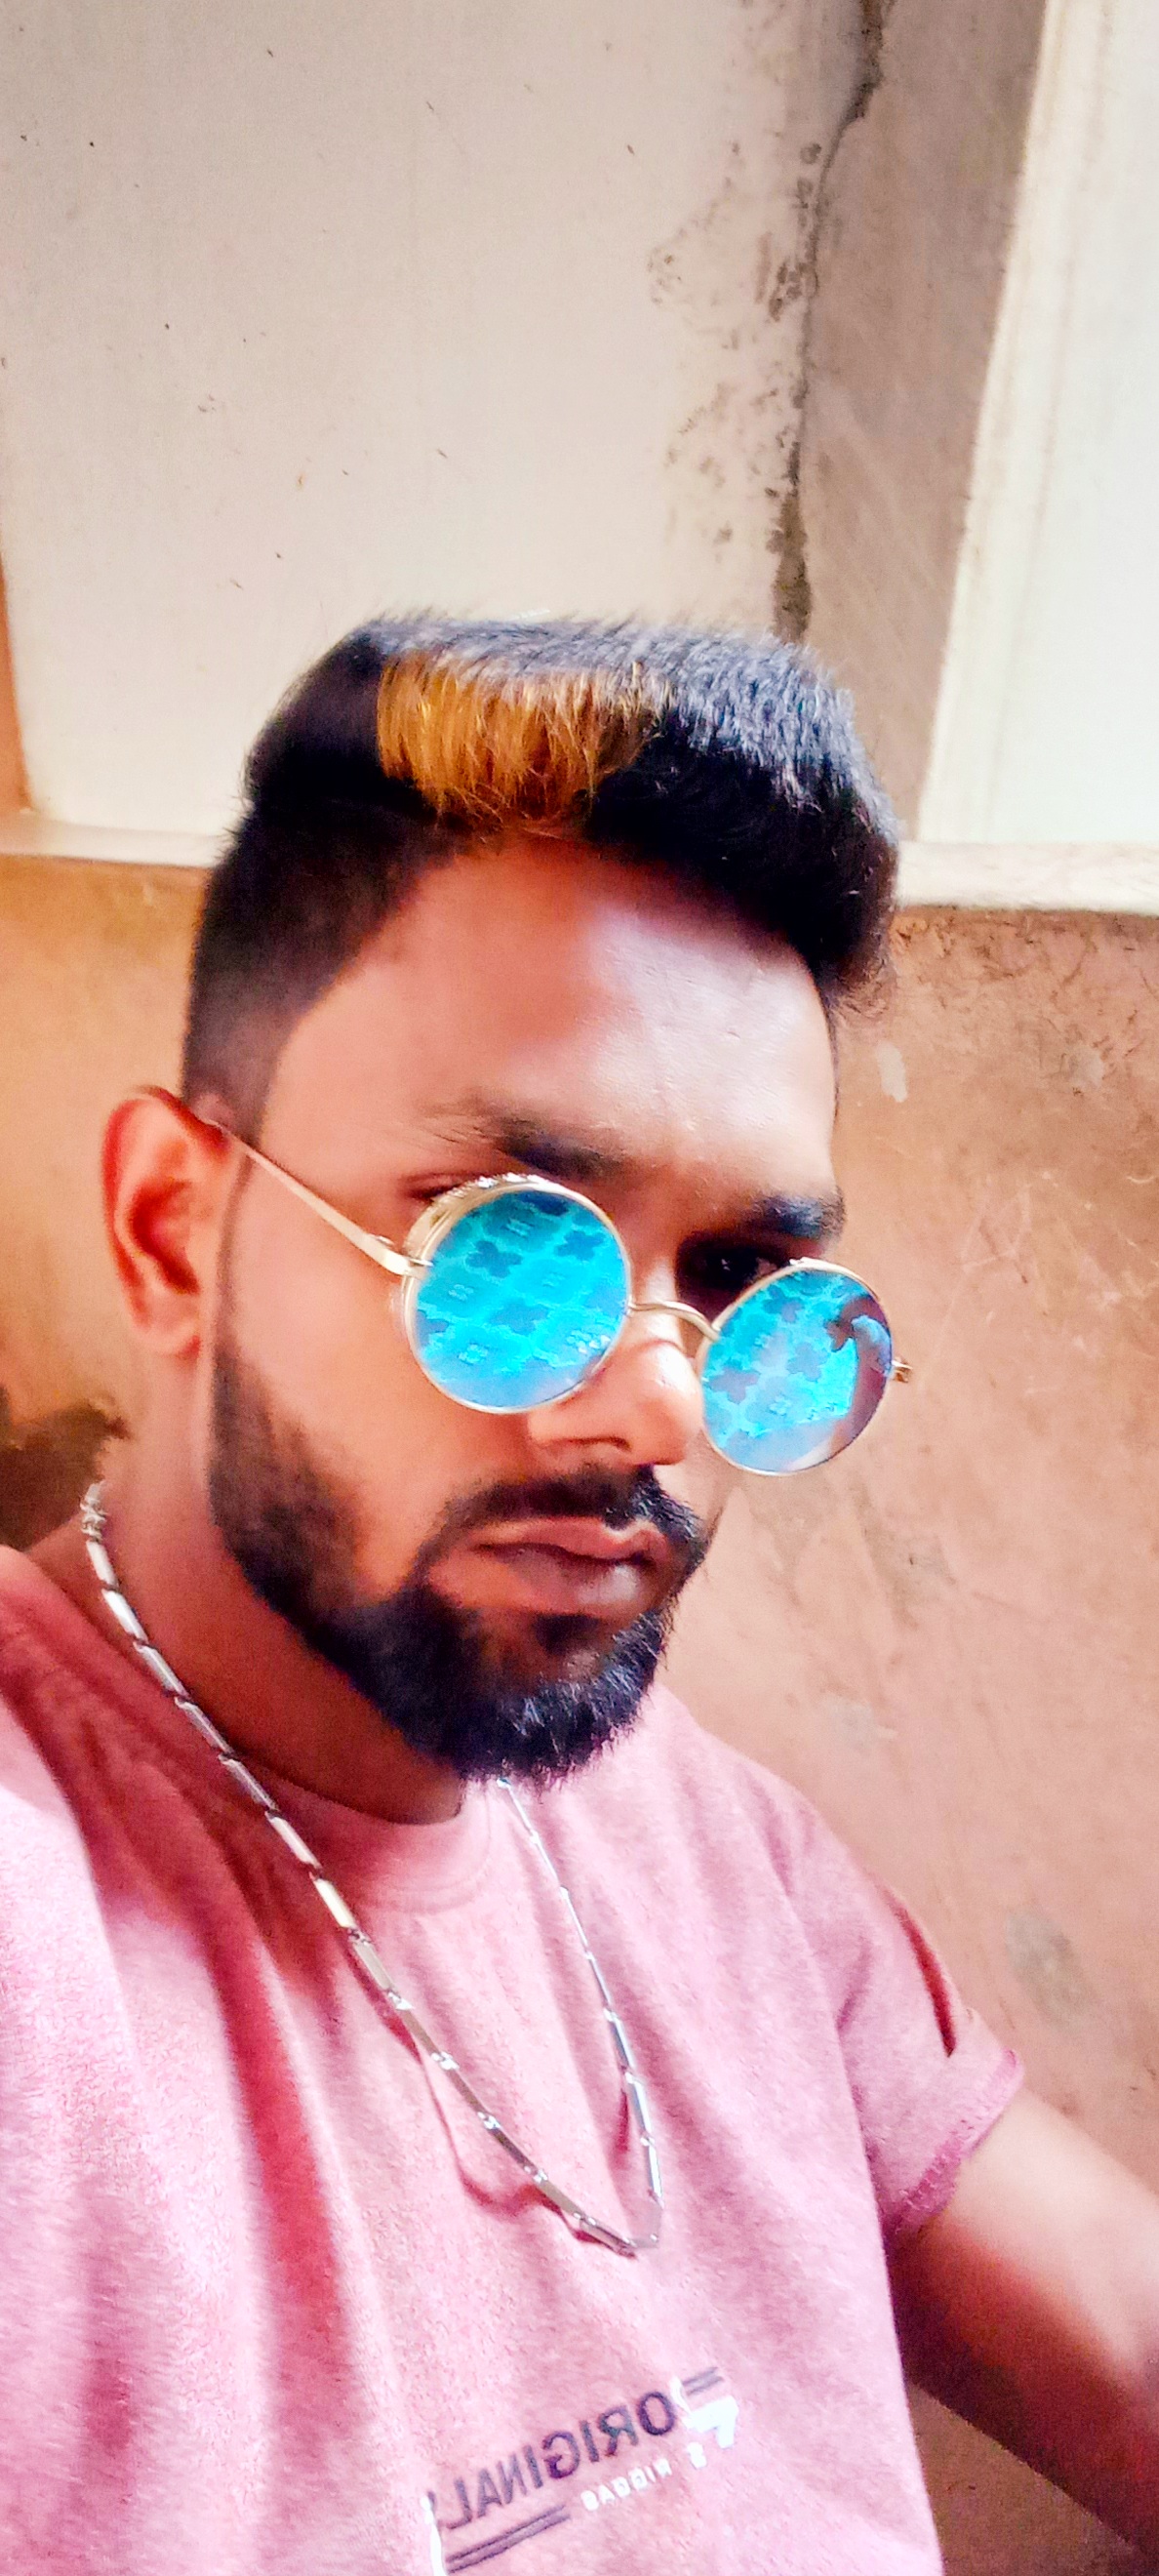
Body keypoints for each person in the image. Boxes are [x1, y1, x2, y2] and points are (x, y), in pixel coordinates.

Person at [1, 619, 1156, 2575]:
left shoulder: (704, 1832)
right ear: (174, 1232)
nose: (660, 1408)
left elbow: (1118, 2330)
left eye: (744, 1288)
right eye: (508, 1254)